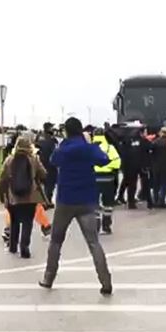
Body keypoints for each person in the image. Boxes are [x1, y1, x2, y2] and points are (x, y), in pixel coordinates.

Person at [40, 117, 113, 295]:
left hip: (65, 201)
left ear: (66, 131)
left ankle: (49, 278)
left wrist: (65, 142)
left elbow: (53, 160)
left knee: (56, 240)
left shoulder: (63, 149)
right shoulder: (88, 148)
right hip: (87, 201)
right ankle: (106, 281)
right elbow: (104, 159)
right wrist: (91, 144)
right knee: (94, 242)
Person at [0, 135, 47, 258]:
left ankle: (13, 246)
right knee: (27, 222)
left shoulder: (9, 160)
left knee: (14, 222)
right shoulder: (34, 159)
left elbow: (3, 178)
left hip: (13, 197)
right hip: (30, 197)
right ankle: (25, 247)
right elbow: (43, 173)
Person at [92, 127, 121, 233]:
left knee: (94, 204)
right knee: (108, 204)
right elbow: (117, 163)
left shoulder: (90, 148)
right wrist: (108, 167)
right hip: (108, 178)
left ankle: (96, 226)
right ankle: (106, 226)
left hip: (93, 179)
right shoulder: (110, 148)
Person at [36, 123, 59, 202]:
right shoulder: (53, 139)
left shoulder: (39, 137)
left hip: (40, 163)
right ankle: (47, 199)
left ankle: (41, 199)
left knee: (41, 182)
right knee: (50, 183)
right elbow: (56, 151)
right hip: (50, 164)